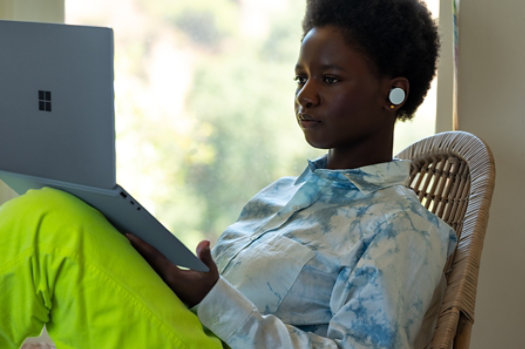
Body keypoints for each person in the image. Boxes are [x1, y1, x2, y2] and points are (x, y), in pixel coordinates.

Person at [0, 0, 456, 348]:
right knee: (63, 208)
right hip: (183, 330)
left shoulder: (404, 228)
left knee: (48, 224)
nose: (306, 96)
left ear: (393, 94)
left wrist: (212, 298)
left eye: (329, 79)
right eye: (301, 78)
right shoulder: (279, 195)